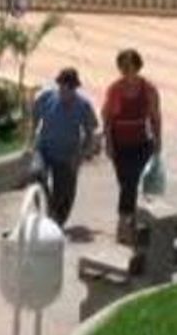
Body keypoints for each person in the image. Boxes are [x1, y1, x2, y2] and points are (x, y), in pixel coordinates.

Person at [101, 49, 163, 244]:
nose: (125, 70)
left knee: (132, 181)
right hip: (120, 143)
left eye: (129, 66)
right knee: (125, 182)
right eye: (122, 67)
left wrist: (158, 140)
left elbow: (155, 116)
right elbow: (107, 118)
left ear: (137, 66)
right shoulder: (114, 89)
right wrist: (109, 143)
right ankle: (131, 219)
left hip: (141, 143)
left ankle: (124, 222)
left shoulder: (149, 89)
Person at [31, 68, 99, 227]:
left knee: (63, 192)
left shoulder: (83, 106)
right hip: (44, 149)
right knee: (35, 174)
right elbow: (35, 114)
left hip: (67, 154)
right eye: (61, 87)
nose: (64, 92)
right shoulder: (47, 98)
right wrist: (32, 135)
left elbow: (90, 132)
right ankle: (46, 207)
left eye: (68, 89)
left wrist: (82, 154)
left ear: (74, 88)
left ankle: (56, 221)